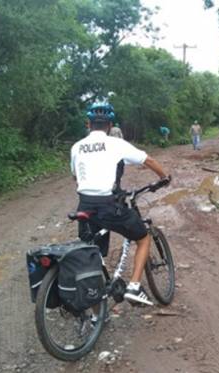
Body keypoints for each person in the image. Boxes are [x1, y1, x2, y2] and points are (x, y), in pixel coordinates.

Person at [71, 102, 171, 306]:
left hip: (84, 206)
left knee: (93, 253)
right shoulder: (115, 144)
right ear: (109, 126)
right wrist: (164, 177)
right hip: (108, 205)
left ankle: (95, 313)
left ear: (88, 124)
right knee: (142, 237)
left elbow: (77, 178)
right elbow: (148, 160)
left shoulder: (76, 147)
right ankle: (134, 286)